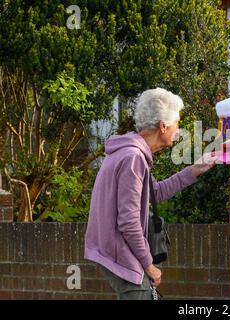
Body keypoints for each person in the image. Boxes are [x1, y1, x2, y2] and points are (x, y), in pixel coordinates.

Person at [84, 88, 218, 300]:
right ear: (163, 126)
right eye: (177, 123)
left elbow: (155, 192)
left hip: (115, 250)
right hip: (121, 254)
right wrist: (148, 264)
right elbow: (128, 221)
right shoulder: (133, 158)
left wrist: (194, 170)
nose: (178, 129)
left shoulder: (132, 153)